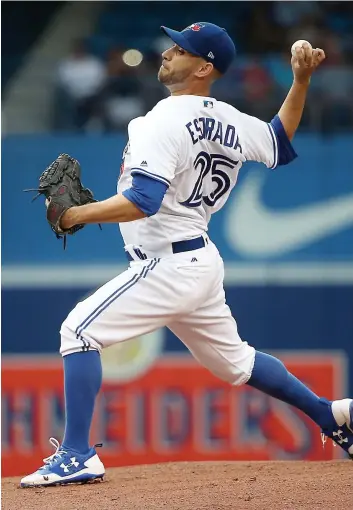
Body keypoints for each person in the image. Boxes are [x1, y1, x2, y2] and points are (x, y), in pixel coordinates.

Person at [21, 22, 352, 487]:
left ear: (204, 67)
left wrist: (76, 215)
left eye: (182, 49)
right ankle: (331, 415)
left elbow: (143, 200)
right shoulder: (231, 119)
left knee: (78, 330)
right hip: (198, 260)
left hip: (168, 263)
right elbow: (279, 140)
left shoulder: (160, 120)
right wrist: (299, 82)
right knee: (236, 363)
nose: (168, 52)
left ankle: (77, 454)